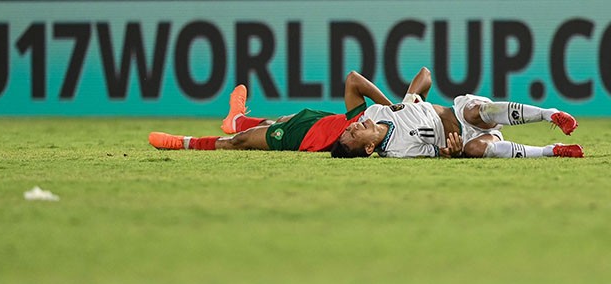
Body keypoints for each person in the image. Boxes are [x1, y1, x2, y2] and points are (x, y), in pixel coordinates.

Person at [332, 67, 583, 159]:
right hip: (469, 140)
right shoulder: (399, 151)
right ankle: (552, 150)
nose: (352, 127)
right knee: (474, 151)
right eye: (352, 136)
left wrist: (408, 101)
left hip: (462, 114)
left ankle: (549, 114)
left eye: (348, 128)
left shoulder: (377, 110)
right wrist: (451, 153)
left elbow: (425, 74)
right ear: (368, 149)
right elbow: (440, 154)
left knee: (477, 112)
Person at [148, 69, 403, 152]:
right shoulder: (367, 118)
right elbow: (353, 79)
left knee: (241, 141)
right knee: (278, 121)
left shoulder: (378, 141)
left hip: (304, 138)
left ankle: (183, 143)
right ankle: (237, 119)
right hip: (318, 120)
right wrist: (391, 107)